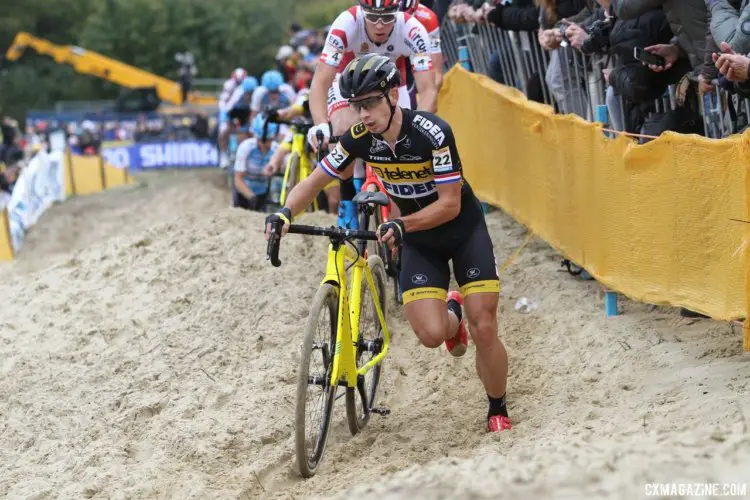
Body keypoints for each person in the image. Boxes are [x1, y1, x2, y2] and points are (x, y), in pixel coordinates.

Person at [264, 54, 511, 433]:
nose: (363, 114)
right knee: (430, 335)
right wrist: (284, 213)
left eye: (370, 103)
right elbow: (315, 181)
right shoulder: (361, 140)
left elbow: (449, 205)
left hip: (462, 230)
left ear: (394, 95)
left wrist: (400, 222)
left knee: (486, 327)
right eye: (356, 106)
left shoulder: (432, 132)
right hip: (416, 237)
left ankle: (497, 407)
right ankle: (452, 315)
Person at [305, 0, 438, 230]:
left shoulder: (412, 28)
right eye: (372, 16)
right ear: (361, 12)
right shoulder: (346, 23)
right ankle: (348, 196)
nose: (379, 24)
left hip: (391, 85)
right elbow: (320, 82)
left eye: (387, 17)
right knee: (342, 131)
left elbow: (428, 89)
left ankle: (400, 221)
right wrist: (320, 124)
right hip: (350, 84)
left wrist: (416, 128)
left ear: (397, 13)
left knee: (404, 145)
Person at [265, 91, 341, 215]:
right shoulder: (306, 99)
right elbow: (284, 145)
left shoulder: (333, 98)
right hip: (308, 151)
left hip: (328, 155)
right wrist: (273, 163)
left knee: (334, 200)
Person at [233, 114, 280, 211]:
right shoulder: (245, 147)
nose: (266, 144)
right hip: (244, 192)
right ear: (257, 137)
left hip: (263, 191)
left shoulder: (276, 148)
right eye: (263, 141)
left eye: (269, 140)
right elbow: (238, 179)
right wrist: (252, 197)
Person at [218, 68, 248, 168]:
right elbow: (223, 102)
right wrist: (226, 114)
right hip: (228, 110)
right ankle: (223, 155)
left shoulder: (247, 85)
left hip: (242, 111)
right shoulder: (228, 85)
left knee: (246, 131)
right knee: (223, 130)